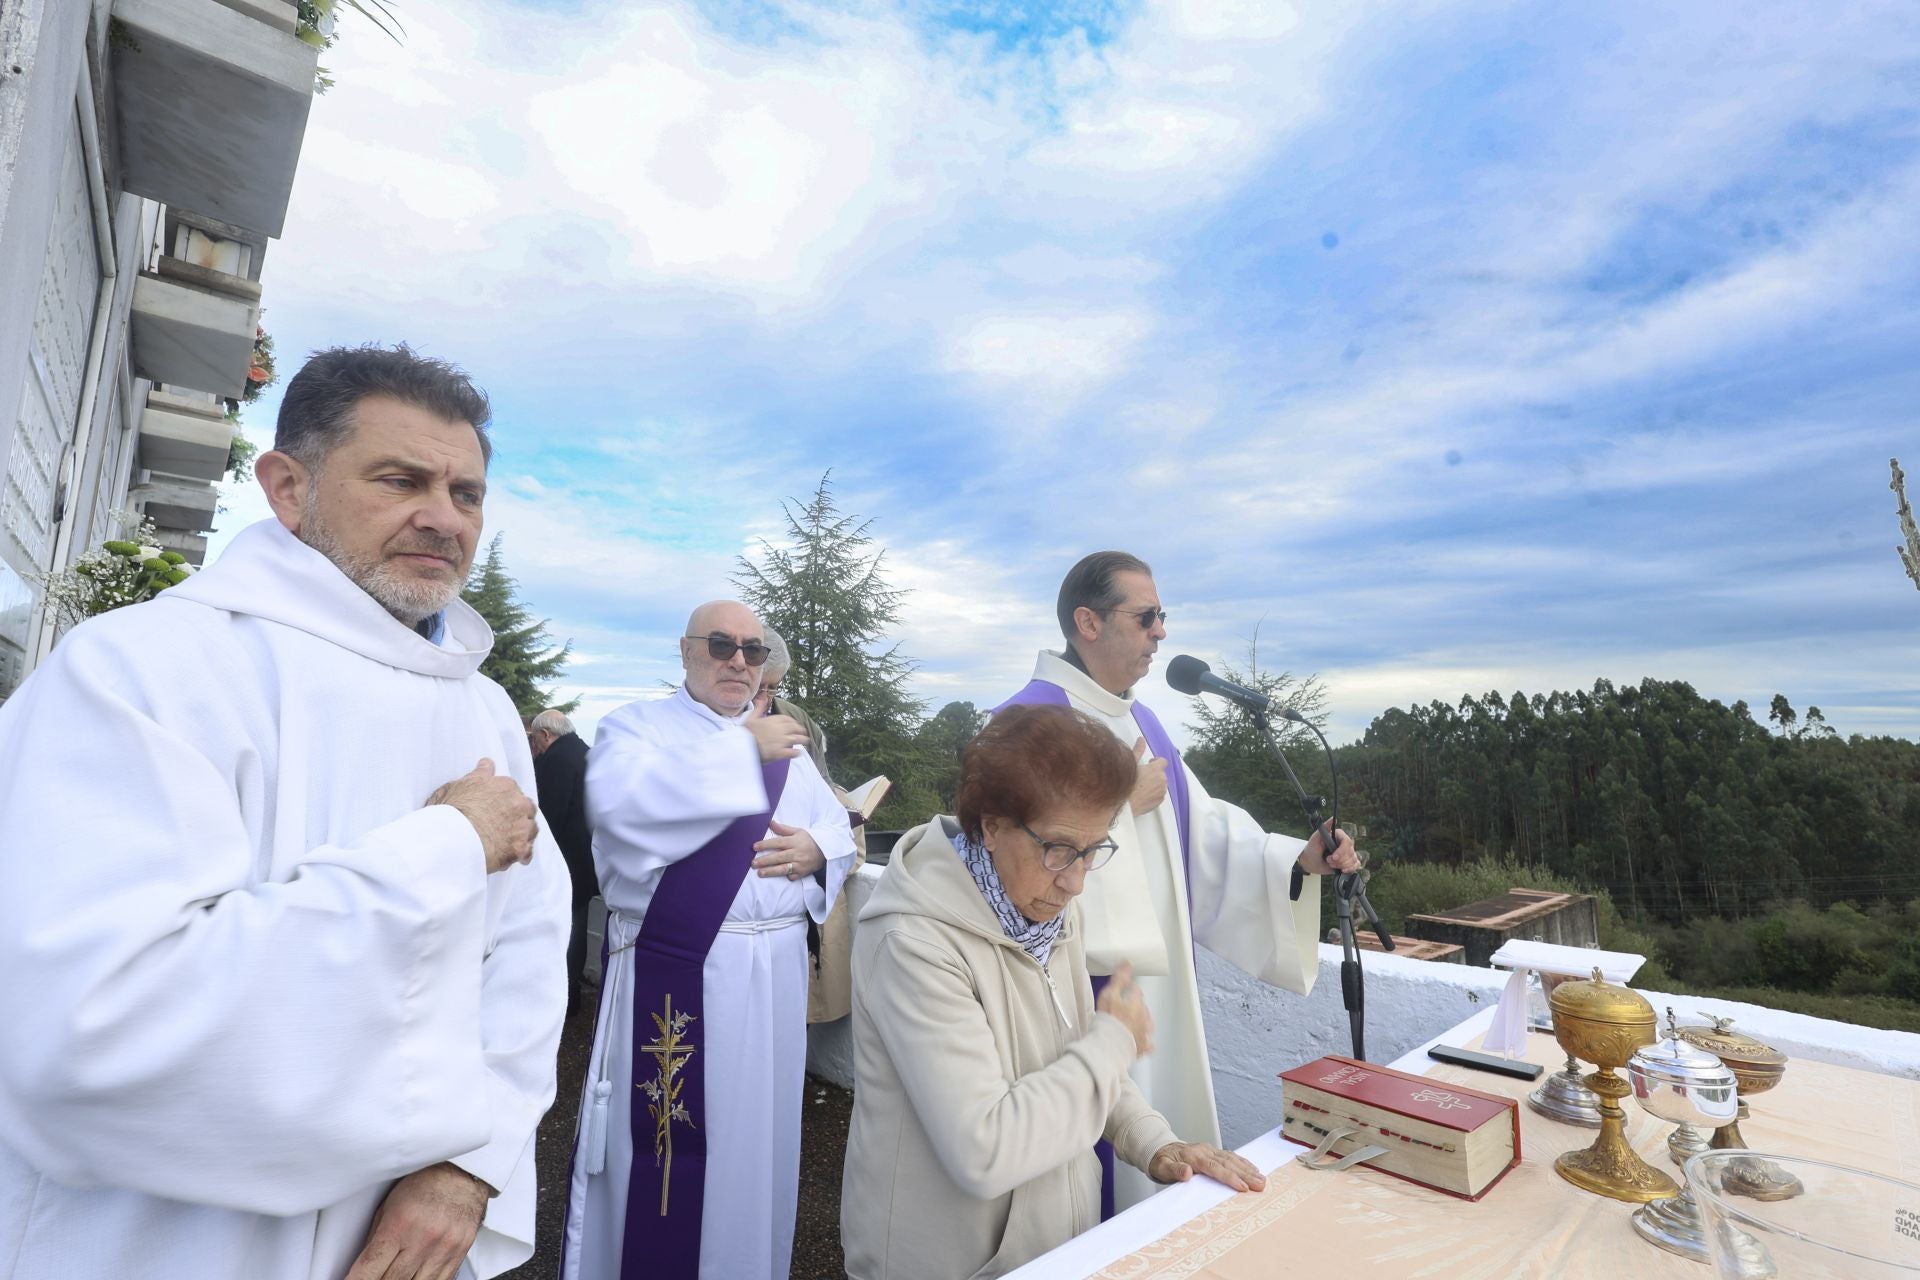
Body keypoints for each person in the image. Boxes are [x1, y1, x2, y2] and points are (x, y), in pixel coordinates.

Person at [0, 344, 572, 1280]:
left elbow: (526, 955)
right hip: (160, 1239)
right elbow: (91, 1026)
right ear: (287, 488)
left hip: (404, 1230)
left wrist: (468, 1164)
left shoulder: (484, 710)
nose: (443, 518)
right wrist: (445, 849)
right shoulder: (142, 671)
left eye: (467, 493)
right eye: (401, 480)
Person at [841, 705, 1265, 1279]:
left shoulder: (1041, 906)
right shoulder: (913, 941)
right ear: (990, 825)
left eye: (1093, 851)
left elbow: (1071, 1059)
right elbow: (983, 1150)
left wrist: (1155, 1142)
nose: (1075, 880)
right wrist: (1115, 1037)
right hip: (953, 1261)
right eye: (1060, 849)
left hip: (1056, 1249)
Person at [995, 550, 1362, 1213]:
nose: (1161, 632)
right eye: (1146, 616)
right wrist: (1116, 806)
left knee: (1156, 1160)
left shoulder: (1141, 722)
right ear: (1088, 622)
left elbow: (1205, 832)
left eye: (1162, 616)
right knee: (1085, 1186)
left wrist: (1298, 859)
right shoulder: (1029, 721)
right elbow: (1004, 855)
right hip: (1075, 994)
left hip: (1155, 994)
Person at [564, 601, 856, 1280]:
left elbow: (836, 827)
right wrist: (740, 750)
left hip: (777, 972)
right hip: (685, 967)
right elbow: (619, 808)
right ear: (687, 650)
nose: (739, 661)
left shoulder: (788, 746)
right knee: (671, 1154)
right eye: (722, 645)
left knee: (757, 1147)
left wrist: (819, 848)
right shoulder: (637, 727)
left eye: (754, 651)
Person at [531, 707, 596, 1013]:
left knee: (564, 926)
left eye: (536, 740)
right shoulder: (586, 752)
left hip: (565, 858)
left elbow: (549, 815)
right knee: (578, 923)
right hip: (587, 855)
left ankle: (563, 997)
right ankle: (573, 991)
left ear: (546, 734)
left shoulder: (556, 760)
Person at [751, 626, 829, 776]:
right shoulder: (716, 718)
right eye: (758, 687)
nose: (763, 698)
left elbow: (824, 782)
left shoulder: (801, 721)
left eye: (772, 687)